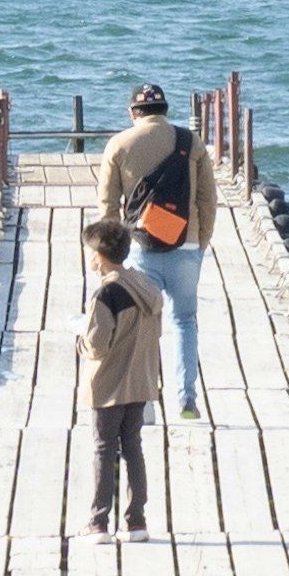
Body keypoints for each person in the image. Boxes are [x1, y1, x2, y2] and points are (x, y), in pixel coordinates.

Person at [92, 80, 217, 425]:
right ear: (165, 111)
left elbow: (108, 207)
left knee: (142, 326)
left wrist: (108, 255)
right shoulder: (190, 142)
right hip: (186, 245)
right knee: (185, 321)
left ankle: (145, 405)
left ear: (133, 113)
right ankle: (186, 398)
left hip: (140, 249)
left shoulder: (118, 145)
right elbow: (208, 199)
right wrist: (199, 241)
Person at [80, 216, 160, 535]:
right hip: (140, 381)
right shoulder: (146, 285)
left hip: (110, 385)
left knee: (103, 449)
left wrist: (79, 341)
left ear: (99, 255)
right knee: (133, 448)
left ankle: (98, 522)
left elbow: (97, 346)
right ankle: (136, 520)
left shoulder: (106, 294)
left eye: (89, 251)